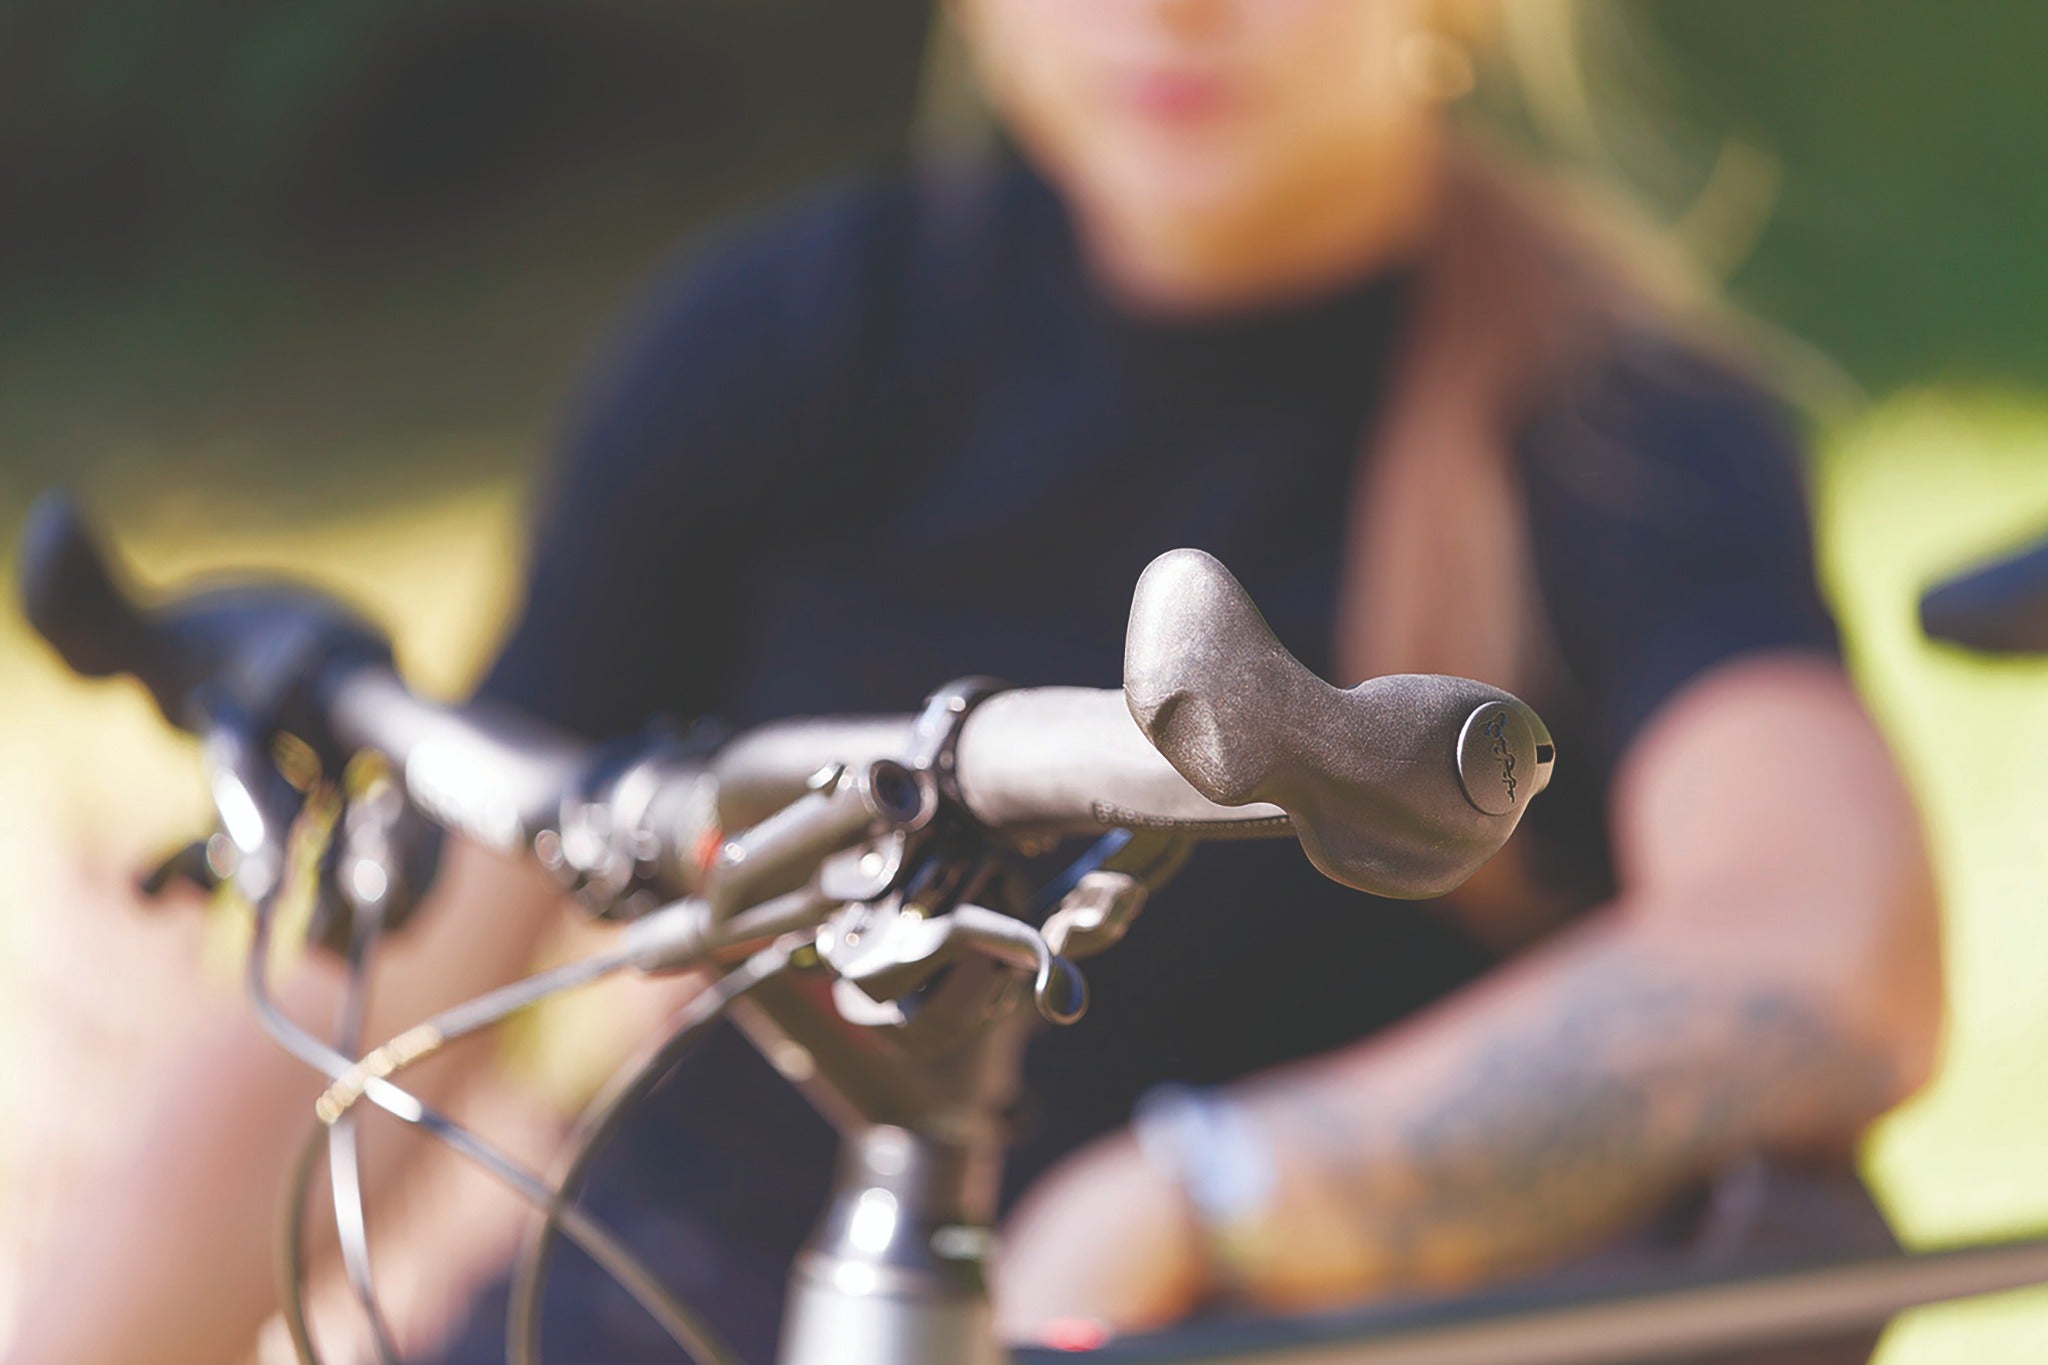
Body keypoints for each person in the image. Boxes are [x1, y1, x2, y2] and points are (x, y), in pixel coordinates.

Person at [6, 2, 1942, 1362]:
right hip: (662, 1300)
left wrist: (1204, 1194)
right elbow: (408, 961)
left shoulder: (1611, 424)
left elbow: (1819, 937)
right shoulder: (782, 341)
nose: (1174, 8)